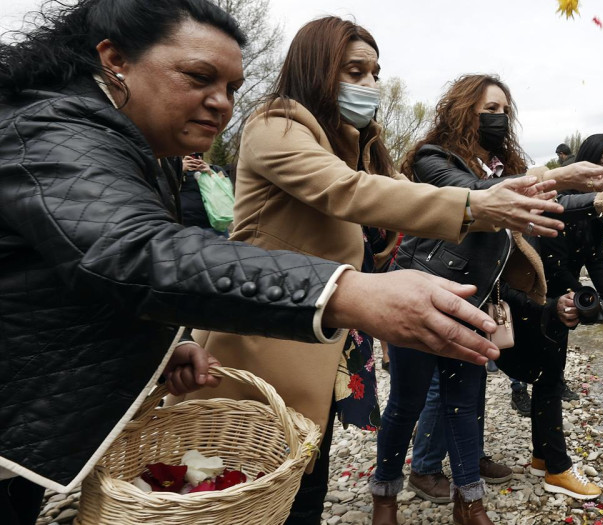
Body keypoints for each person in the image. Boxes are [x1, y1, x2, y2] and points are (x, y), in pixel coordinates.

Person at [0, 2, 508, 523]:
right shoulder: (56, 126)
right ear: (115, 59)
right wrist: (345, 292)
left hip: (306, 343)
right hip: (269, 337)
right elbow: (134, 251)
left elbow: (60, 275)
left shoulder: (140, 146)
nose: (221, 104)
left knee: (297, 472)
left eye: (232, 88)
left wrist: (167, 344)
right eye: (199, 77)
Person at [169, 17, 573, 524]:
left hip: (327, 343)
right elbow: (349, 192)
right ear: (316, 69)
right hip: (264, 341)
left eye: (375, 73)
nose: (370, 85)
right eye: (355, 71)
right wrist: (474, 205)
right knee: (246, 492)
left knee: (305, 483)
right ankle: (390, 492)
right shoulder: (274, 124)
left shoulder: (359, 145)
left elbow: (399, 207)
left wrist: (583, 191)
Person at [374, 75, 603, 524]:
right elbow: (473, 193)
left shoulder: (506, 166)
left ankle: (469, 502)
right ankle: (385, 496)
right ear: (461, 109)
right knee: (406, 402)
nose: (499, 118)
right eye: (488, 109)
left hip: (475, 303)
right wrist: (558, 175)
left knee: (465, 401)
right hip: (421, 293)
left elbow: (550, 202)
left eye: (505, 111)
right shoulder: (431, 158)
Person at [498, 133, 603, 504]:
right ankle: (558, 469)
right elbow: (556, 269)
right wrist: (601, 311)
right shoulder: (561, 203)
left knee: (549, 376)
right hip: (534, 298)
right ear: (585, 163)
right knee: (548, 380)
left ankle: (542, 458)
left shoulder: (596, 213)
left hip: (559, 300)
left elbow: (594, 261)